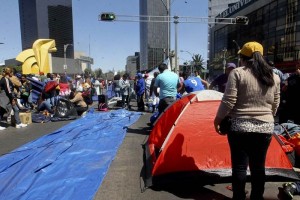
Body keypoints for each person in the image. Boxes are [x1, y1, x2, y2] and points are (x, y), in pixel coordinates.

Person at [213, 41, 280, 200]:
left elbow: (229, 101)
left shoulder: (237, 73)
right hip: (265, 128)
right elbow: (275, 102)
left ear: (243, 57)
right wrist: (267, 117)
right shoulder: (274, 76)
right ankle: (257, 197)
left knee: (240, 167)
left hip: (239, 127)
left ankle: (239, 197)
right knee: (258, 168)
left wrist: (218, 119)